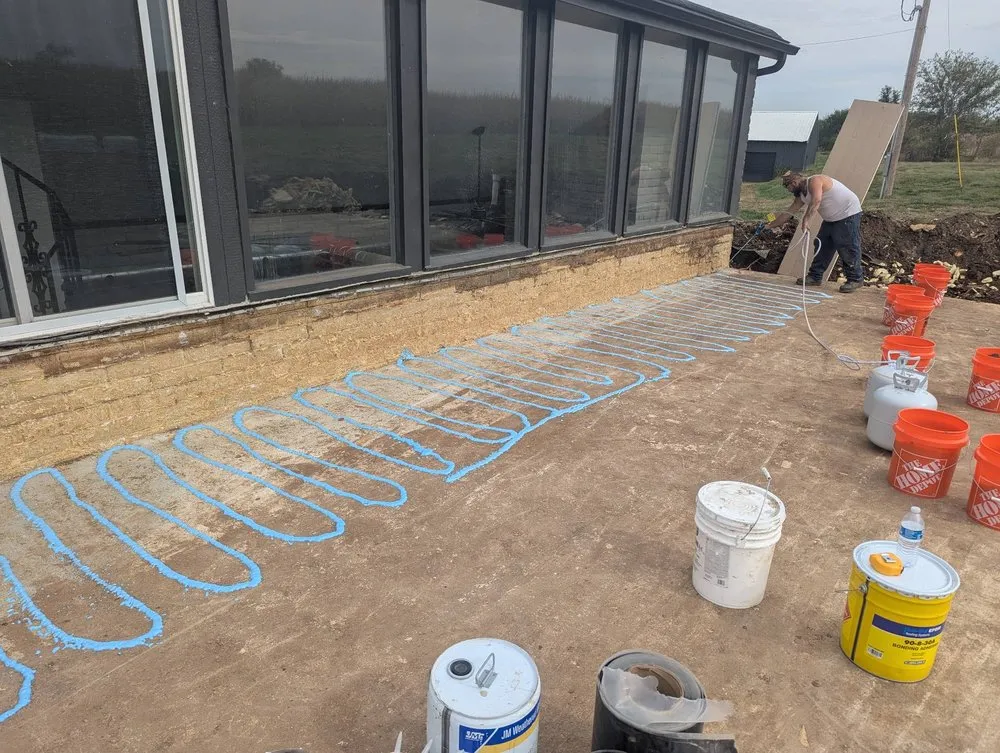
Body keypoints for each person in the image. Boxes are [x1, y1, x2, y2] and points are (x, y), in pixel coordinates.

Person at [766, 171, 864, 293]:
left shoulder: (815, 181)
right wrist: (770, 225)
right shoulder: (801, 195)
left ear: (794, 182)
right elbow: (789, 212)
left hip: (847, 213)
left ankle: (855, 279)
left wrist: (806, 220)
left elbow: (816, 200)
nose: (789, 190)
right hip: (831, 218)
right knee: (822, 244)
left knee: (847, 245)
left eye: (788, 187)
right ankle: (815, 276)